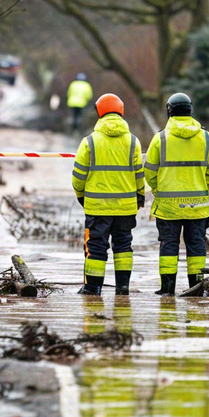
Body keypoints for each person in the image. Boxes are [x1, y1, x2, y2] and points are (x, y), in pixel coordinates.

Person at [144, 93, 209, 297]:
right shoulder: (206, 137)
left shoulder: (160, 138)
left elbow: (150, 171)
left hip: (168, 206)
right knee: (196, 245)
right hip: (197, 206)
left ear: (169, 110)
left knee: (168, 245)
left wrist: (159, 190)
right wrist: (202, 190)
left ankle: (167, 288)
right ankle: (197, 288)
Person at [72, 93, 145, 296]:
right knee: (123, 246)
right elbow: (140, 173)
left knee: (96, 247)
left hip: (98, 207)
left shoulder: (90, 142)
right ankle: (123, 288)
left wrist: (81, 195)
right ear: (121, 112)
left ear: (99, 112)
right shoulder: (133, 142)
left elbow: (78, 176)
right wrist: (140, 195)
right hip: (126, 208)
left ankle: (93, 288)